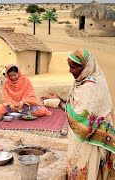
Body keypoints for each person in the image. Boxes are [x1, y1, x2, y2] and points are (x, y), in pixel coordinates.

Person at [49, 49, 115, 179]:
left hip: (92, 140)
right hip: (88, 137)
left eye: (73, 67)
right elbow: (78, 106)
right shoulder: (84, 80)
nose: (70, 71)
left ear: (84, 67)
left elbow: (82, 119)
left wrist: (59, 104)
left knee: (89, 170)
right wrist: (61, 100)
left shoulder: (92, 86)